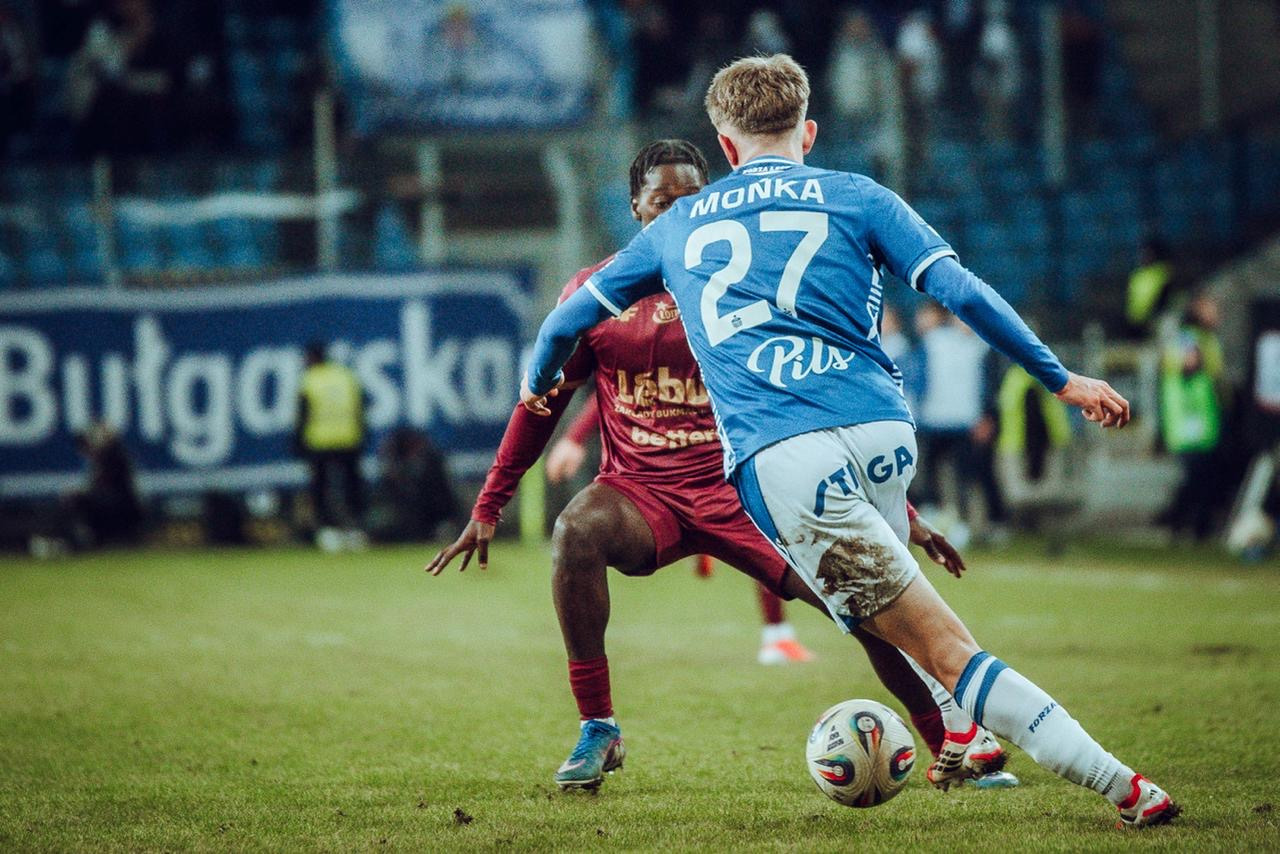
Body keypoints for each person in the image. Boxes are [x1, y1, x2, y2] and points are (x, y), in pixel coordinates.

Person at [520, 55, 1177, 827]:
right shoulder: (860, 194)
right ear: (807, 133)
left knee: (941, 648)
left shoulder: (682, 222)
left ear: (725, 147)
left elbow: (565, 323)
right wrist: (1060, 379)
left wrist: (538, 381)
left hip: (785, 454)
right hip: (882, 434)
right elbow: (961, 290)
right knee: (913, 627)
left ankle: (1120, 785)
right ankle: (959, 733)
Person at [429, 139, 1002, 792]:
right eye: (662, 201)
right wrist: (489, 505)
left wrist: (899, 510)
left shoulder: (747, 287)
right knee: (576, 531)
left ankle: (948, 746)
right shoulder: (595, 293)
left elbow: (810, 398)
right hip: (641, 493)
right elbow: (542, 404)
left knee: (864, 602)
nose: (678, 211)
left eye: (691, 198)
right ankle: (598, 726)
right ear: (636, 207)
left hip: (751, 488)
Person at [546, 391, 815, 665]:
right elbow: (617, 385)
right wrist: (574, 437)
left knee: (766, 523)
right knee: (763, 523)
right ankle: (776, 633)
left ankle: (775, 630)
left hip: (722, 446)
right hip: (672, 462)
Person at [1160, 292, 1227, 539]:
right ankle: (1180, 521)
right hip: (1190, 420)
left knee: (1204, 475)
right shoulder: (1188, 338)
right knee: (1197, 476)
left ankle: (1192, 524)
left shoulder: (1205, 339)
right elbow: (1189, 367)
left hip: (1204, 418)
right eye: (1211, 308)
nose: (1216, 314)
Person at [296, 341, 367, 552]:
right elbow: (361, 408)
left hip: (320, 441)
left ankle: (327, 531)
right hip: (349, 438)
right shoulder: (346, 375)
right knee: (352, 487)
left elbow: (303, 414)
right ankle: (356, 530)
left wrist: (298, 443)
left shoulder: (309, 380)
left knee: (321, 489)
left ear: (312, 358)